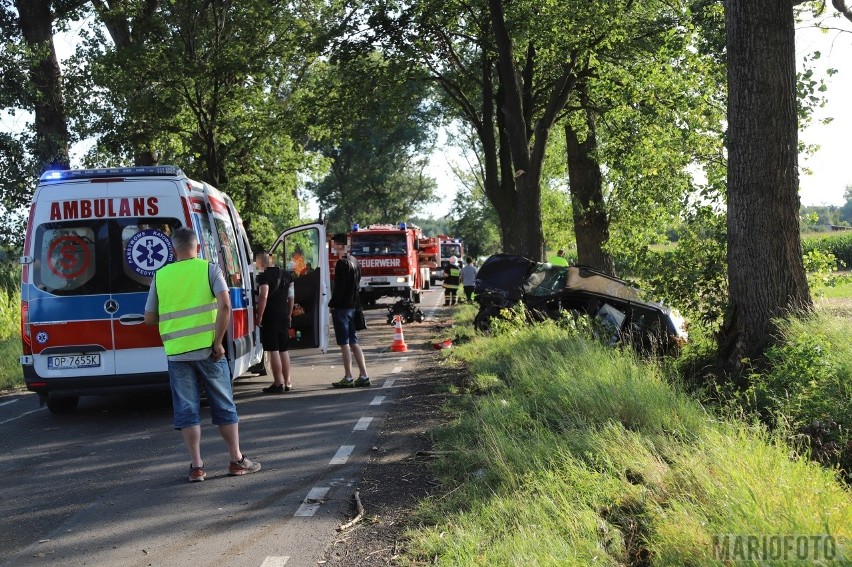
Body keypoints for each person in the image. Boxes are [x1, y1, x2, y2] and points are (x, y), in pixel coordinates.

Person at [144, 228, 261, 482]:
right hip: (210, 351)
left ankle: (197, 466)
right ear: (197, 247)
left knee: (186, 409)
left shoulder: (160, 276)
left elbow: (149, 318)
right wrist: (218, 342)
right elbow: (226, 305)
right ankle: (236, 460)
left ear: (173, 250)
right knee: (223, 404)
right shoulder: (210, 269)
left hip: (177, 355)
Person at [328, 253, 370, 388]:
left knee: (344, 343)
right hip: (353, 306)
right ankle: (364, 376)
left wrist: (332, 303)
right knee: (353, 341)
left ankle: (348, 377)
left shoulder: (342, 264)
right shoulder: (355, 262)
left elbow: (340, 287)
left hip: (342, 308)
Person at [255, 253, 294, 394]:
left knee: (274, 349)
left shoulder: (264, 277)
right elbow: (291, 297)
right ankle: (288, 382)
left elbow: (263, 295)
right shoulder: (287, 275)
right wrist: (289, 314)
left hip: (270, 316)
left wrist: (259, 316)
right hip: (284, 314)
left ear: (261, 263)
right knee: (284, 349)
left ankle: (278, 383)